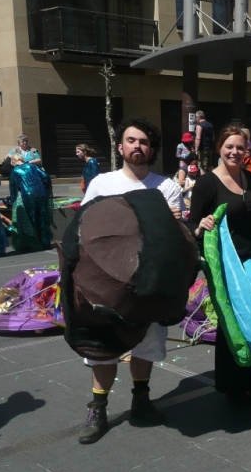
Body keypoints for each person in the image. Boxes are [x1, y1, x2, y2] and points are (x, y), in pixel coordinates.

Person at [78, 116, 184, 444]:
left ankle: (141, 400)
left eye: (144, 142)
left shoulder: (166, 186)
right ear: (121, 147)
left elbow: (176, 236)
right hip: (106, 286)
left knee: (148, 344)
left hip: (150, 284)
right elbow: (83, 230)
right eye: (132, 141)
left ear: (151, 149)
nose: (138, 146)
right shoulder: (101, 184)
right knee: (102, 349)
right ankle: (98, 408)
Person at [188, 127, 251, 405]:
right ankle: (232, 384)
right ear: (220, 148)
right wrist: (200, 226)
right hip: (229, 264)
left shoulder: (249, 177)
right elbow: (192, 223)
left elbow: (250, 215)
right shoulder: (207, 183)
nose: (235, 152)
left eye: (240, 148)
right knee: (233, 322)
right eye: (229, 147)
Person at [8, 155, 52, 252]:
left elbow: (13, 188)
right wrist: (44, 186)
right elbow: (46, 176)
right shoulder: (33, 166)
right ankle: (45, 242)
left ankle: (35, 243)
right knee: (42, 218)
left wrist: (13, 199)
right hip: (41, 194)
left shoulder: (15, 171)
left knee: (32, 219)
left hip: (28, 196)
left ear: (13, 162)